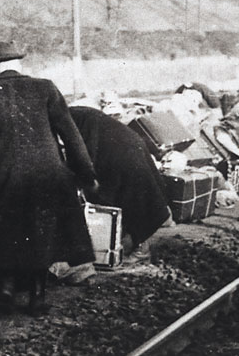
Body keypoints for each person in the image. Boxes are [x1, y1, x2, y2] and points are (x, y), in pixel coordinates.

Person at [0, 41, 98, 316]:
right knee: (42, 232)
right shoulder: (46, 87)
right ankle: (37, 297)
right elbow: (71, 136)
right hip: (48, 174)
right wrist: (86, 174)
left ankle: (7, 291)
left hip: (6, 175)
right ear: (19, 64)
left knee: (6, 232)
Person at [68, 106, 171, 258]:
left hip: (119, 154)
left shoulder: (64, 118)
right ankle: (126, 239)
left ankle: (140, 247)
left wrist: (84, 177)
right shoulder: (76, 113)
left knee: (130, 197)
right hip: (128, 145)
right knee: (131, 196)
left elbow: (80, 150)